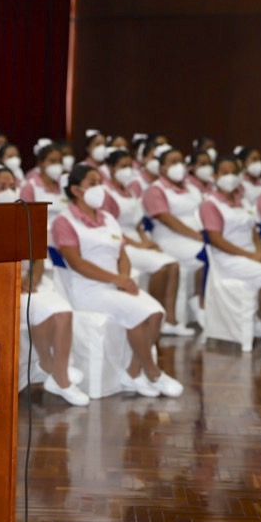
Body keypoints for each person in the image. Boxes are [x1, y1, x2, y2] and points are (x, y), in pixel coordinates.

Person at [53, 165, 181, 398]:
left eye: (100, 182)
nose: (99, 188)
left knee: (156, 312)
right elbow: (76, 263)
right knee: (140, 314)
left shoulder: (108, 218)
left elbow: (122, 254)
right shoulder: (65, 221)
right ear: (76, 190)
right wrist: (116, 279)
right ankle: (153, 373)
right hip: (88, 289)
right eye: (92, 183)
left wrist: (122, 278)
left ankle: (132, 373)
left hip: (115, 284)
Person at [0, 165, 88, 406]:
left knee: (62, 312)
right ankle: (59, 376)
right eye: (1, 187)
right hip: (0, 286)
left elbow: (38, 256)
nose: (9, 191)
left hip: (31, 282)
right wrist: (14, 281)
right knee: (46, 312)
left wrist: (32, 278)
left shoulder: (25, 215)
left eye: (12, 186)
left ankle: (54, 371)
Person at [199, 155, 261, 348]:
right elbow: (216, 240)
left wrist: (260, 252)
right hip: (228, 258)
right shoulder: (210, 204)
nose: (230, 177)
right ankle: (260, 320)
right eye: (225, 173)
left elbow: (254, 230)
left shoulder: (242, 201)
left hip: (252, 255)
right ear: (215, 175)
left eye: (234, 172)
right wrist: (250, 255)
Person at [100, 149, 187, 335]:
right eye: (122, 166)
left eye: (129, 166)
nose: (127, 170)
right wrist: (137, 245)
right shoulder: (107, 194)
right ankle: (153, 317)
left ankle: (169, 319)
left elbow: (138, 224)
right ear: (111, 168)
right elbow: (111, 227)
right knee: (161, 267)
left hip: (137, 240)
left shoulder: (130, 191)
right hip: (122, 243)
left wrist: (147, 241)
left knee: (173, 264)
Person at [142, 146, 206, 325]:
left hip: (195, 235)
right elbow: (166, 219)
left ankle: (205, 303)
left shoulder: (191, 188)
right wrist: (196, 236)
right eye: (173, 162)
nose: (179, 166)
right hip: (171, 239)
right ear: (162, 168)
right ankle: (199, 303)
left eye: (181, 162)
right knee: (205, 255)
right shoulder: (155, 190)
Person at [19, 143, 70, 222]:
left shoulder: (64, 185)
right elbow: (25, 218)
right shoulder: (30, 187)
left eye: (60, 161)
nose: (57, 165)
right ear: (40, 163)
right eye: (52, 161)